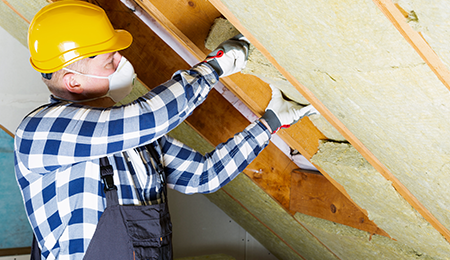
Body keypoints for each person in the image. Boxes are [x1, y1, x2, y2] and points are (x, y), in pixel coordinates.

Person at [14, 1, 317, 259]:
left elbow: (203, 175)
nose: (120, 60)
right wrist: (215, 68)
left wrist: (270, 124)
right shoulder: (40, 133)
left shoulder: (132, 136)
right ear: (74, 82)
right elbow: (149, 118)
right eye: (110, 60)